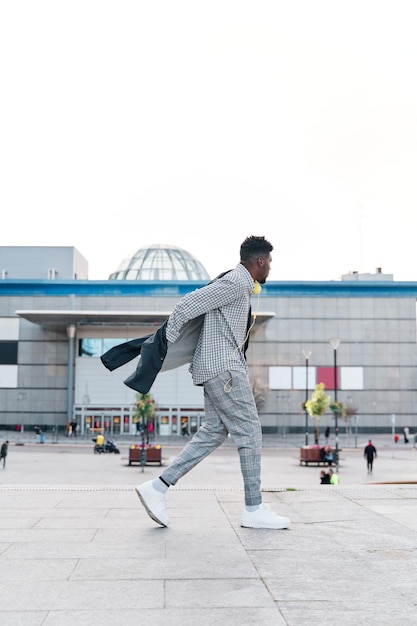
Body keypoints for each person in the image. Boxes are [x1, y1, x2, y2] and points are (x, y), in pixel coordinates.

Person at [135, 236, 290, 530]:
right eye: (269, 261)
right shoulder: (237, 282)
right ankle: (253, 508)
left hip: (216, 369)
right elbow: (187, 304)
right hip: (224, 370)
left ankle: (157, 487)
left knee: (214, 431)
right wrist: (162, 349)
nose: (270, 267)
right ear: (259, 261)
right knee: (250, 433)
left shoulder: (241, 285)